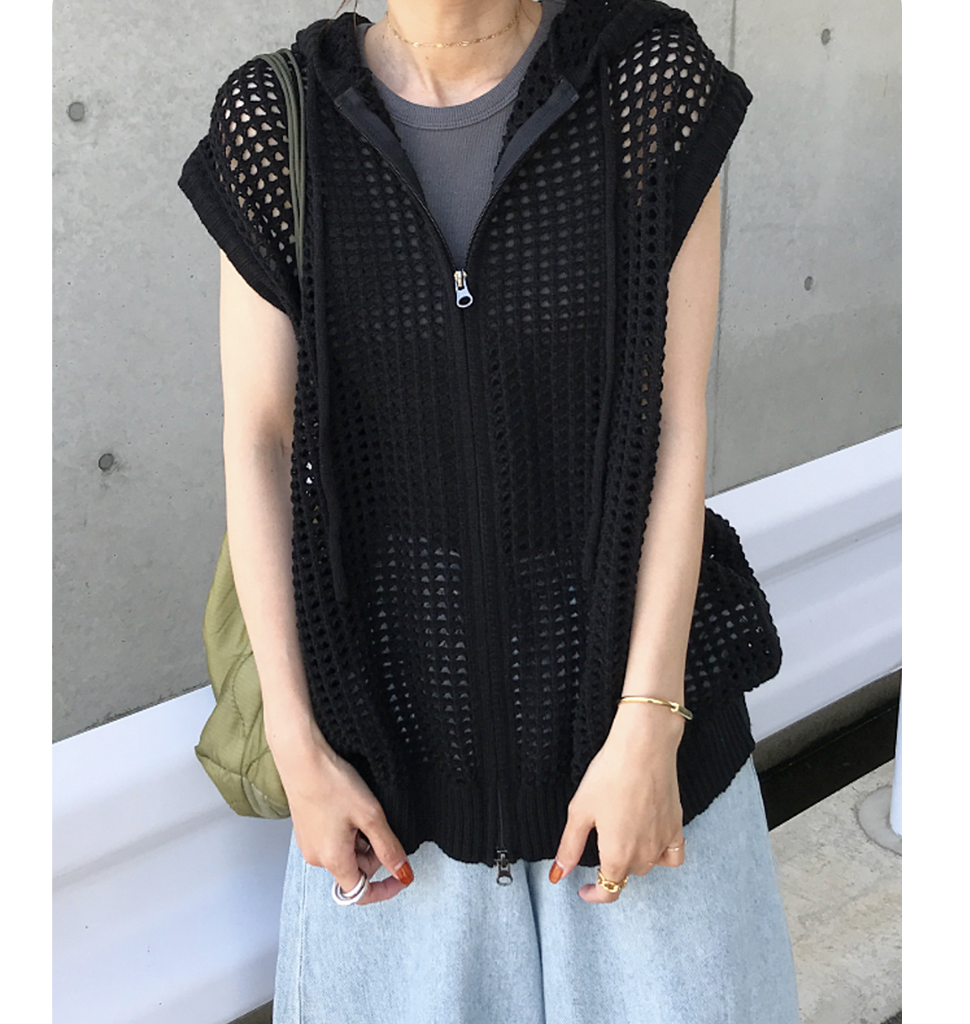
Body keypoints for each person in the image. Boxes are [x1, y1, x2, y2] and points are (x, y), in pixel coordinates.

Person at [179, 0, 801, 1020]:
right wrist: (299, 748)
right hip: (387, 774)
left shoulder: (645, 84)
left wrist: (648, 729)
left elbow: (674, 423)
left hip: (634, 756)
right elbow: (259, 442)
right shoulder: (279, 123)